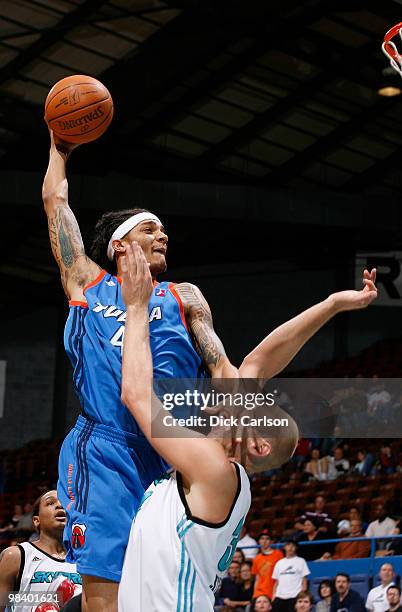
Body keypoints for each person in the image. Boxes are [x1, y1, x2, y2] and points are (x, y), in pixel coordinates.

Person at [43, 133, 377, 611]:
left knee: (152, 574)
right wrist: (60, 148)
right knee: (106, 588)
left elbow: (231, 368)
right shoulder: (85, 281)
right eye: (150, 229)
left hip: (168, 442)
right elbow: (56, 202)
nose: (163, 235)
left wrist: (241, 407)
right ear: (120, 243)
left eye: (163, 231)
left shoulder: (184, 297)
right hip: (107, 447)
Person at [115, 243, 300, 611]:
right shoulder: (220, 471)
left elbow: (136, 395)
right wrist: (335, 303)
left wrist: (136, 307)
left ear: (258, 445)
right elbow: (256, 363)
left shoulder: (214, 468)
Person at [0, 490, 81, 612]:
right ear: (36, 520)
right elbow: (2, 602)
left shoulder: (86, 559)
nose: (60, 505)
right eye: (50, 503)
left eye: (65, 502)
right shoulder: (17, 555)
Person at [271, 541, 310, 612]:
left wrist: (302, 596)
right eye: (288, 545)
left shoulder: (301, 561)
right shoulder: (279, 563)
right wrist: (273, 596)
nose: (290, 548)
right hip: (279, 597)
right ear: (284, 547)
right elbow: (276, 582)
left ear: (296, 548)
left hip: (294, 596)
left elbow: (304, 579)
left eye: (293, 546)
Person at [252, 530, 283, 600]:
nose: (264, 541)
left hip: (274, 591)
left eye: (267, 539)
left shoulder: (278, 554)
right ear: (259, 541)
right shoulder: (257, 558)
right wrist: (254, 594)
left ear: (271, 541)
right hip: (259, 592)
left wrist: (276, 592)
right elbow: (257, 578)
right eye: (262, 538)